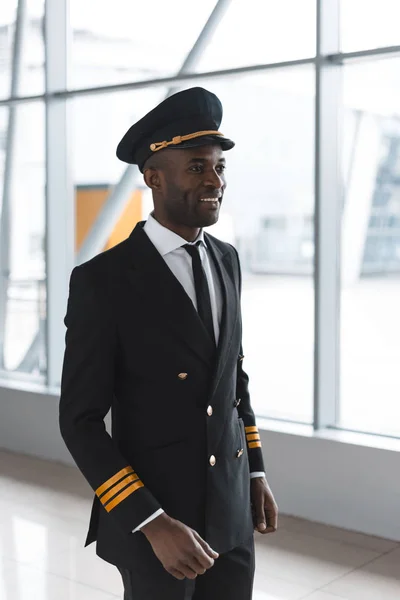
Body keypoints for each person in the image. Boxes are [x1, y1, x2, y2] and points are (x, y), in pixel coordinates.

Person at [59, 87, 278, 600]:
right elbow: (80, 421)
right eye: (197, 167)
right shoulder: (103, 281)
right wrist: (151, 521)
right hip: (156, 524)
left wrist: (255, 470)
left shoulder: (228, 260)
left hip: (231, 515)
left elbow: (233, 381)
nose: (215, 181)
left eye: (220, 167)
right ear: (153, 177)